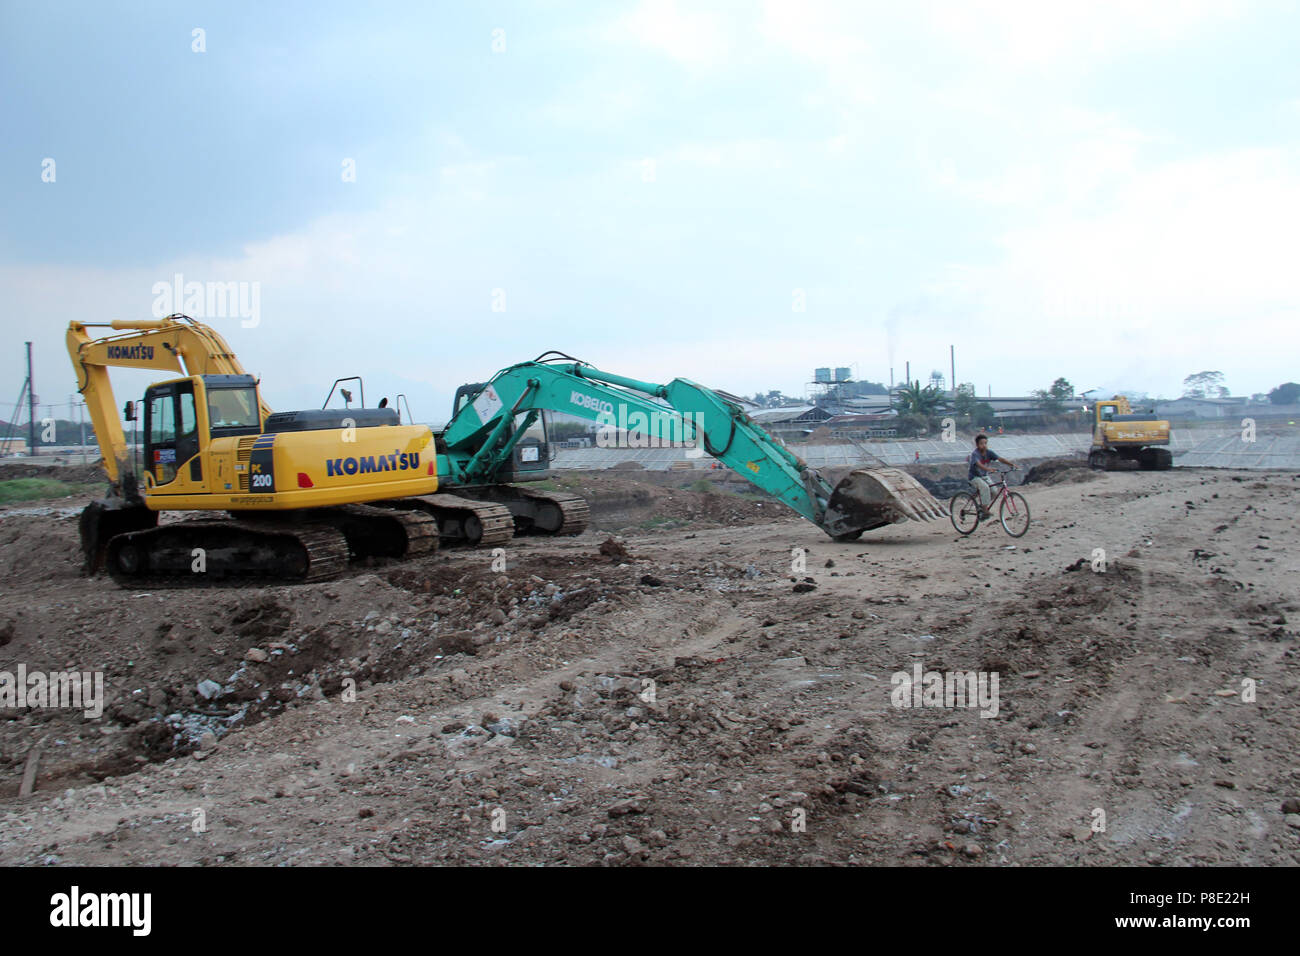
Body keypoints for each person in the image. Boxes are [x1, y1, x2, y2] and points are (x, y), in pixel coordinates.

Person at [968, 434, 1017, 518]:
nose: (984, 445)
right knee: (985, 487)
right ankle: (984, 509)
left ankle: (982, 505)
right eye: (981, 443)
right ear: (977, 445)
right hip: (974, 477)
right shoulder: (975, 454)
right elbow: (978, 464)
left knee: (994, 491)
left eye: (985, 443)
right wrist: (988, 469)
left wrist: (1011, 464)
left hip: (984, 476)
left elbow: (1000, 459)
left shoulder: (989, 452)